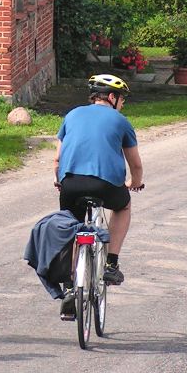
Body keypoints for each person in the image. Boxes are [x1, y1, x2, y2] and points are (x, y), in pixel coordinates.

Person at [53, 73, 144, 311]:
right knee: (123, 207)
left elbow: (57, 159)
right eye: (122, 99)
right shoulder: (120, 120)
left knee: (73, 226)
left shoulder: (71, 115)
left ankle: (72, 286)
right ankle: (111, 264)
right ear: (112, 97)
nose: (122, 104)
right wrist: (135, 182)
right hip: (105, 185)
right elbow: (135, 164)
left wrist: (60, 180)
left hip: (70, 184)